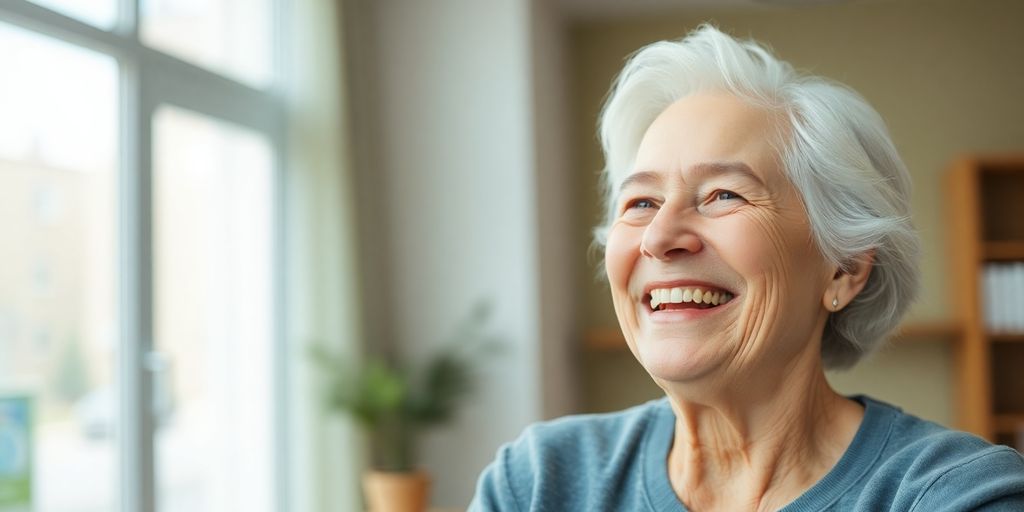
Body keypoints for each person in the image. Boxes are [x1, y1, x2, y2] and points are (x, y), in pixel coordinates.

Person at [469, 24, 1024, 511]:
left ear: (844, 268)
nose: (660, 238)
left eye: (723, 195)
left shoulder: (953, 497)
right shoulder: (539, 483)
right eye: (640, 203)